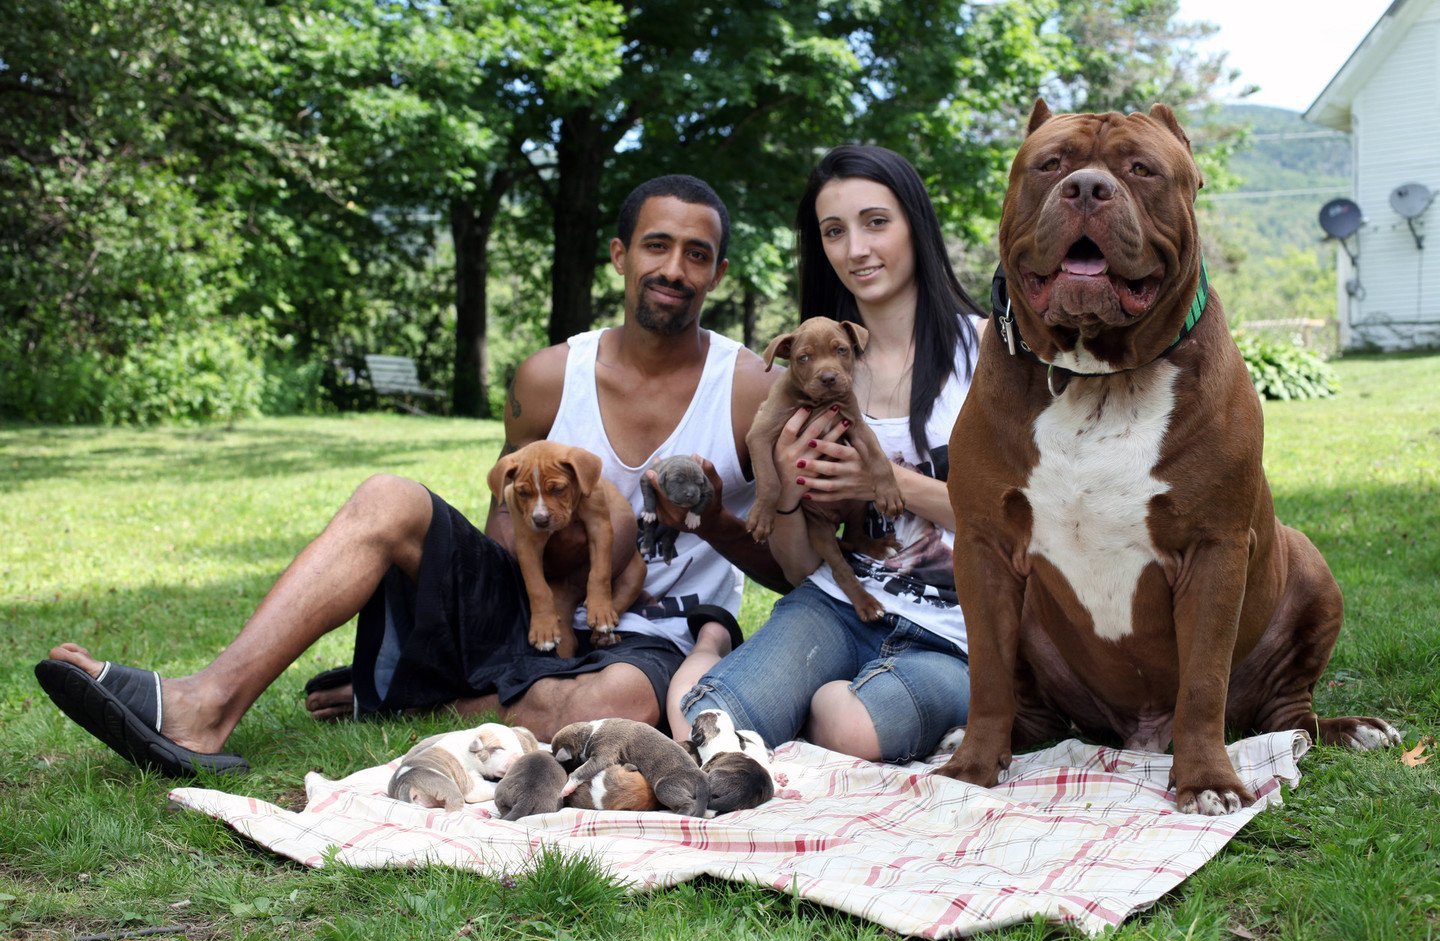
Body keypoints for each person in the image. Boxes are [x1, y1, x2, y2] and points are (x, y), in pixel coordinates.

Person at [34, 174, 785, 776]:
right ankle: (203, 704)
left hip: (651, 636)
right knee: (386, 496)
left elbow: (790, 569)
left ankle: (411, 698)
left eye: (696, 254)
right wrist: (528, 588)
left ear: (718, 273)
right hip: (533, 607)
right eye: (657, 246)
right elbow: (502, 522)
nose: (674, 269)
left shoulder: (749, 388)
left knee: (621, 703)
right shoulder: (549, 377)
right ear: (620, 255)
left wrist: (713, 521)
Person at [675, 145, 983, 763]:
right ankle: (717, 648)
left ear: (916, 224)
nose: (856, 249)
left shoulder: (986, 352)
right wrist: (788, 493)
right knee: (702, 729)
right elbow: (797, 568)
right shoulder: (807, 376)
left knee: (854, 727)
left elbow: (1031, 524)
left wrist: (881, 481)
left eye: (876, 222)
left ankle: (815, 703)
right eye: (834, 231)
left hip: (956, 632)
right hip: (832, 605)